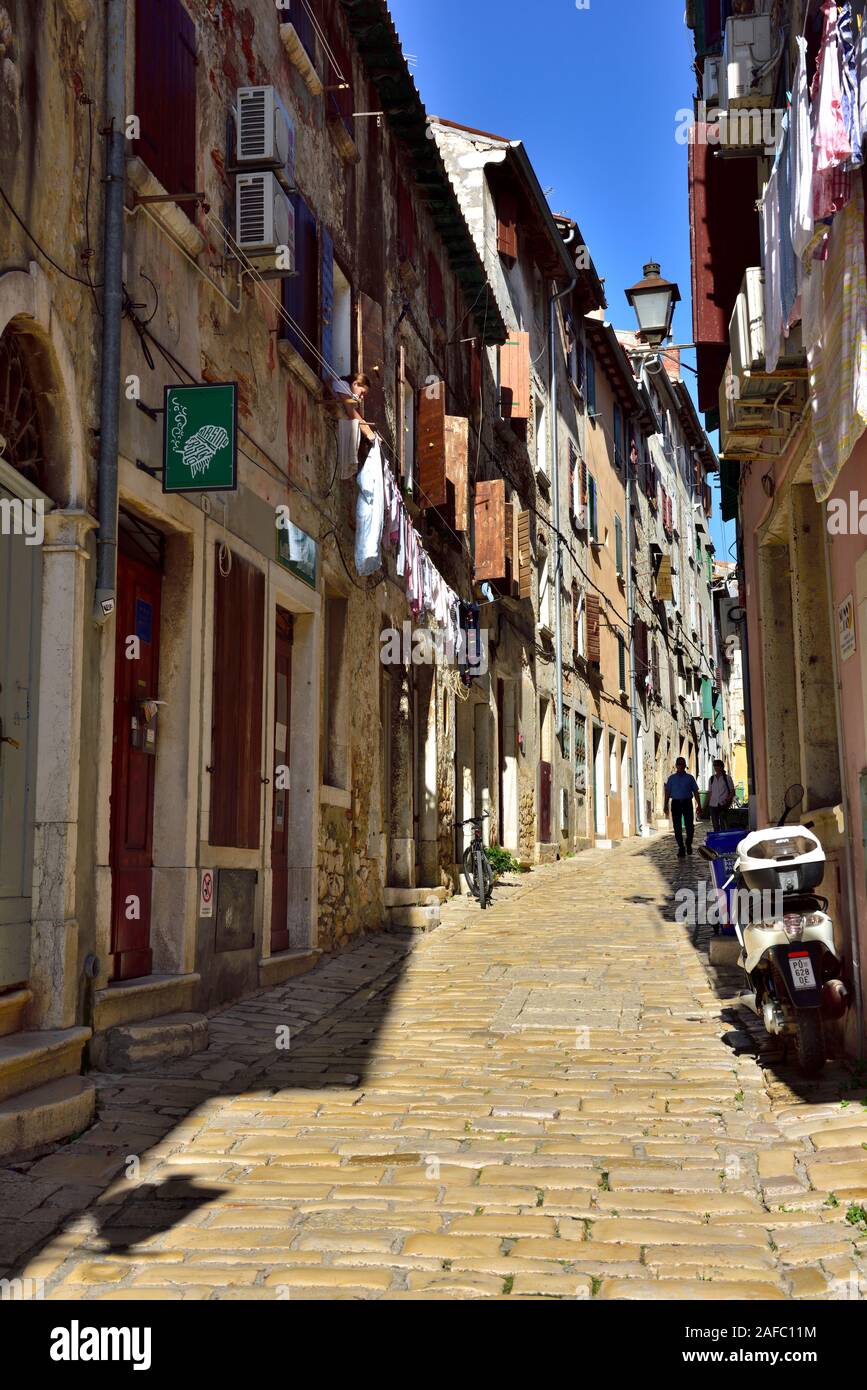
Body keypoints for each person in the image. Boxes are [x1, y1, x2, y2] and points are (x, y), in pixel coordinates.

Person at [663, 757, 703, 858]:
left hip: (687, 803)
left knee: (690, 826)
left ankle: (688, 843)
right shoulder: (671, 778)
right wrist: (665, 805)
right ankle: (681, 847)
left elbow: (695, 792)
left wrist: (699, 805)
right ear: (676, 766)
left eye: (682, 764)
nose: (680, 766)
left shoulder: (690, 778)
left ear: (685, 766)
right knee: (677, 827)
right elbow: (667, 792)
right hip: (676, 803)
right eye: (679, 764)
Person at [707, 759, 736, 832]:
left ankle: (723, 839)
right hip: (713, 805)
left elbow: (732, 792)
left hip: (723, 804)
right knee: (715, 825)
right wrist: (708, 804)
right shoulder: (712, 778)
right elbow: (710, 792)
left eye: (718, 765)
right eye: (715, 766)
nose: (716, 767)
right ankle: (717, 839)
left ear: (722, 767)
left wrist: (727, 800)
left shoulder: (727, 778)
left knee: (723, 824)